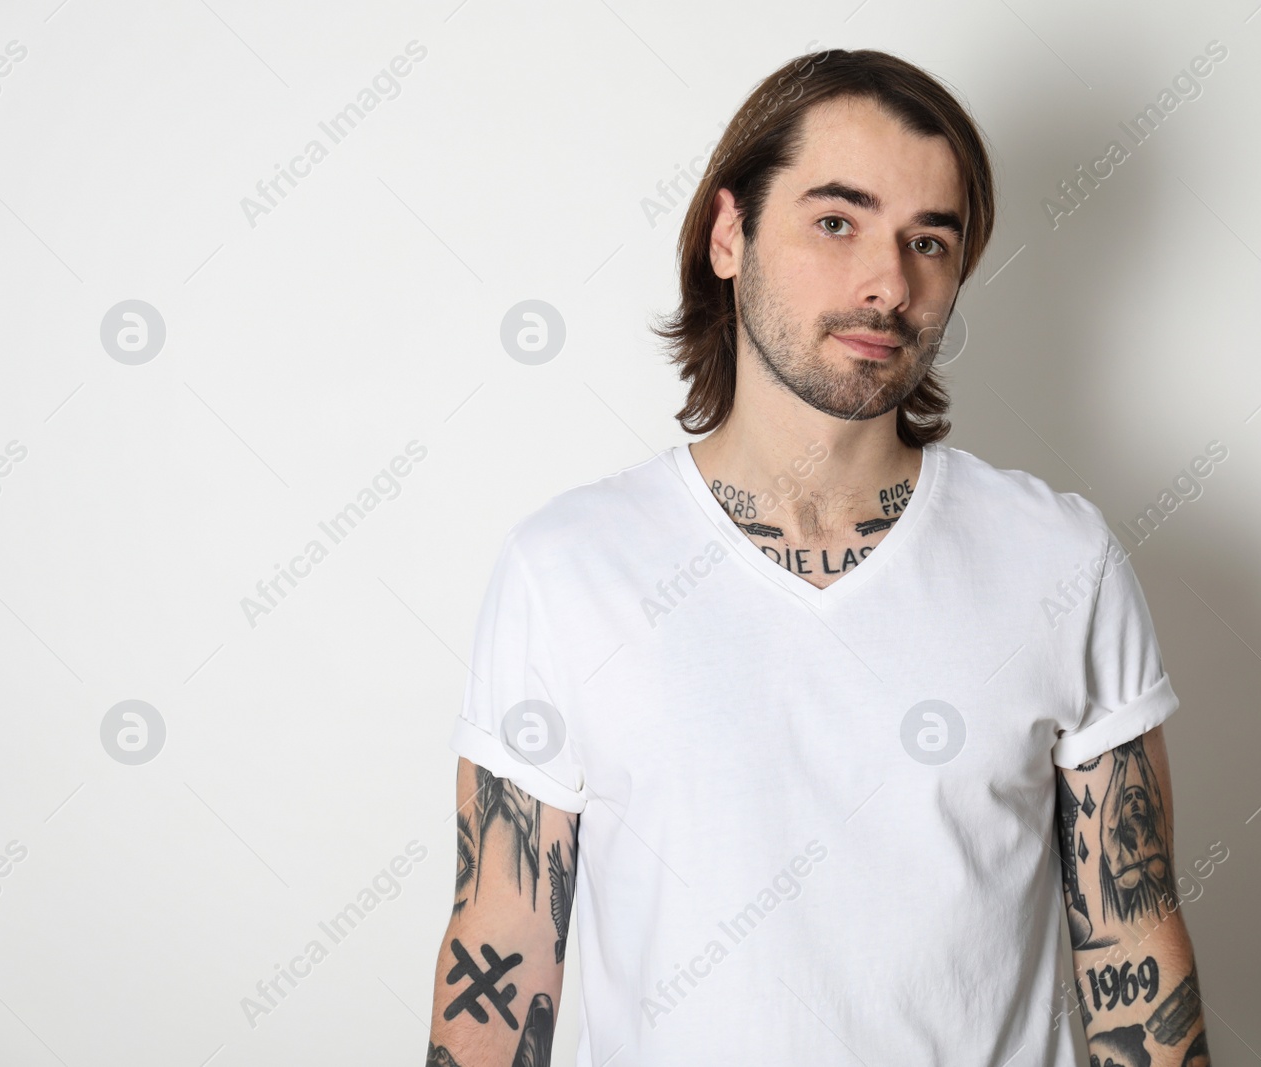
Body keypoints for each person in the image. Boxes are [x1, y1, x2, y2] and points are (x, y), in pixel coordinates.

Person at [428, 47, 1210, 1067]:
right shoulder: (569, 568)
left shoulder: (1060, 559)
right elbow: (503, 948)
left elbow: (1133, 947)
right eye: (835, 221)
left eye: (929, 239)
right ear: (727, 234)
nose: (888, 281)